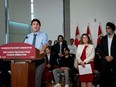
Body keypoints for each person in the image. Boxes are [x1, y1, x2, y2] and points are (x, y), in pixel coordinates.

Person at [24, 18, 48, 87]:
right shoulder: (28, 36)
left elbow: (45, 44)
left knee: (37, 77)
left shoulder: (43, 35)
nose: (35, 26)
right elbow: (25, 46)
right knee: (30, 77)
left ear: (39, 26)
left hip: (40, 59)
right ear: (31, 26)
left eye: (37, 24)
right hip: (30, 59)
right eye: (34, 24)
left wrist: (43, 49)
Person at [99, 22, 116, 87]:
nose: (106, 30)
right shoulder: (103, 38)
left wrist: (112, 56)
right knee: (105, 80)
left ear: (112, 29)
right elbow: (100, 50)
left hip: (114, 62)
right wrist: (106, 57)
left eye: (108, 28)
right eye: (106, 28)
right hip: (105, 62)